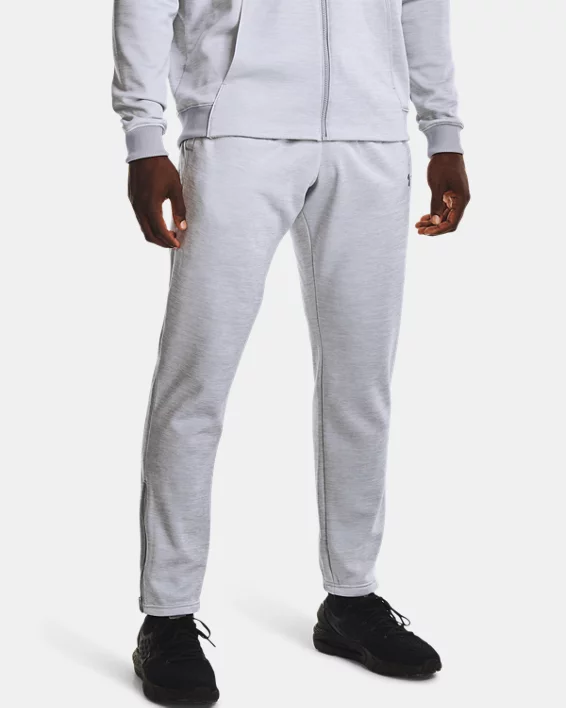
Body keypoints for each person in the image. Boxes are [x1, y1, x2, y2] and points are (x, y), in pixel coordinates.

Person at [113, 0, 470, 703]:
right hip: (236, 136)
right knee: (196, 379)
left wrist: (444, 132)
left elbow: (421, 8)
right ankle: (168, 615)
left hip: (371, 136)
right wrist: (143, 138)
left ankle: (351, 599)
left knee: (361, 386)